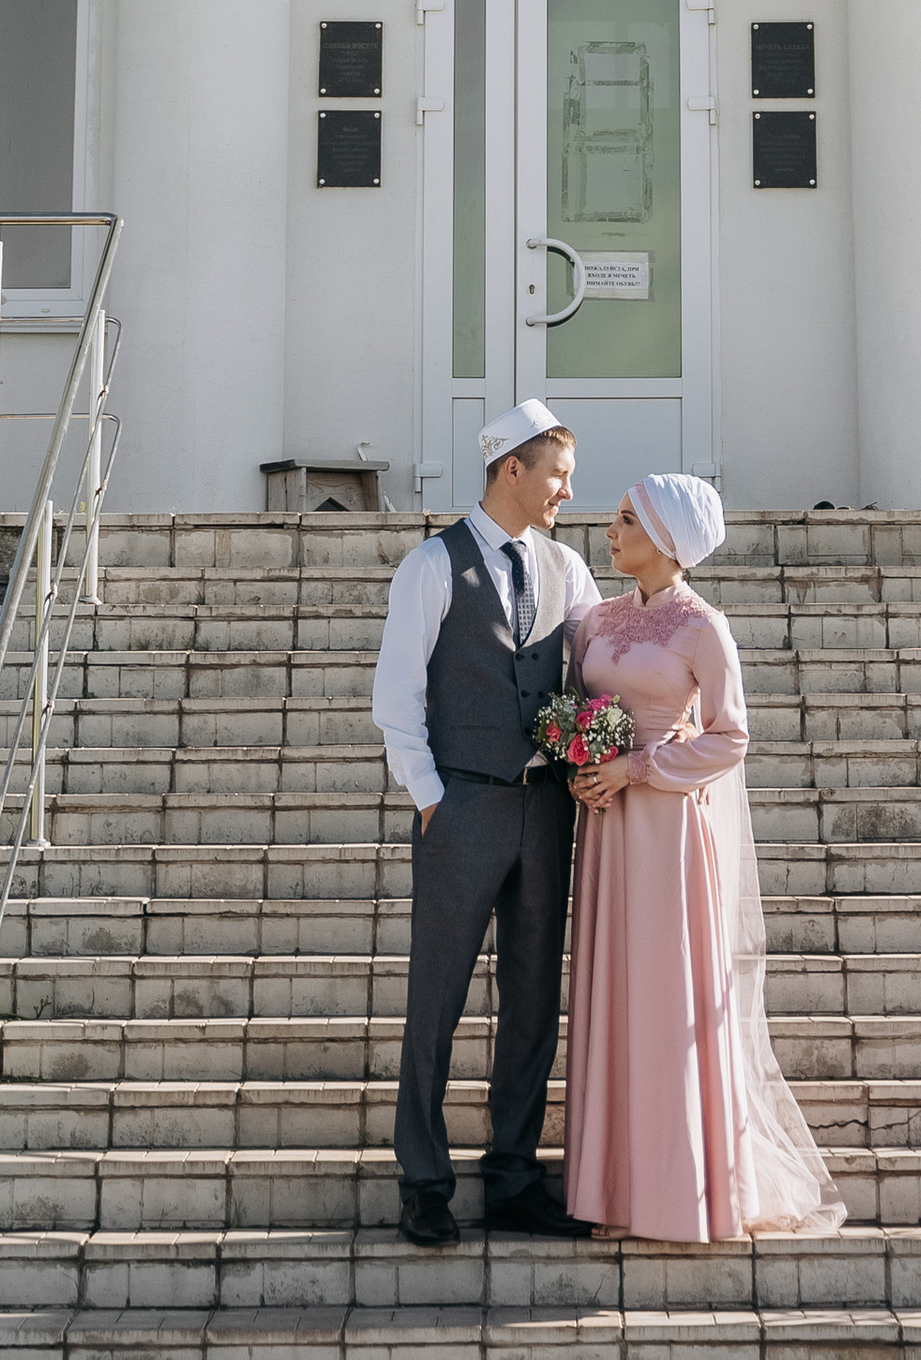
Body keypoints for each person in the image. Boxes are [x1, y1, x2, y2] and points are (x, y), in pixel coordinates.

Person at [562, 474, 844, 1244]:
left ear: (667, 538)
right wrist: (584, 765)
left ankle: (680, 1194)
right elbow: (579, 707)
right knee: (613, 994)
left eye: (626, 520)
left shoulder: (703, 628)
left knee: (665, 999)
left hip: (669, 832)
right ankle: (616, 1194)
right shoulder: (596, 620)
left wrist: (639, 768)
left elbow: (730, 735)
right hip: (608, 828)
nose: (610, 530)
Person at [372, 399, 603, 1248]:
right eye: (557, 476)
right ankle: (424, 1181)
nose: (565, 494)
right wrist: (431, 796)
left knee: (535, 997)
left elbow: (593, 670)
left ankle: (513, 1175)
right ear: (514, 468)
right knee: (435, 997)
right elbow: (396, 697)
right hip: (461, 804)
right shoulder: (432, 566)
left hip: (546, 809)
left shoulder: (569, 569)